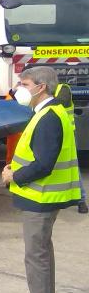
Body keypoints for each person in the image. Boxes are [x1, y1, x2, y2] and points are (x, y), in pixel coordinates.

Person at [2, 67, 81, 293]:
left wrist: (14, 176)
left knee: (36, 257)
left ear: (41, 87)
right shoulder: (49, 112)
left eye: (23, 83)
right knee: (42, 254)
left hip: (41, 196)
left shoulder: (48, 117)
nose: (18, 89)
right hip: (43, 196)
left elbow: (43, 164)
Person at [52, 83, 88, 214]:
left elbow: (59, 102)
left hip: (67, 134)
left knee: (72, 167)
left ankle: (81, 200)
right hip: (51, 132)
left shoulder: (63, 89)